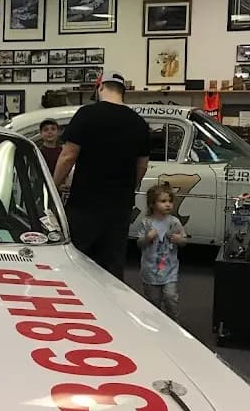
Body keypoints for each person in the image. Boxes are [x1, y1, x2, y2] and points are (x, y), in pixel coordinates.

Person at [53, 71, 149, 279]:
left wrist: (53, 186)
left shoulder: (87, 114)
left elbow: (68, 156)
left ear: (100, 87)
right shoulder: (139, 122)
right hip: (120, 206)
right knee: (113, 264)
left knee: (77, 261)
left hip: (86, 203)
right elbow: (142, 165)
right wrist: (130, 187)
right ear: (123, 91)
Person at [135, 184, 186, 321]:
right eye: (163, 201)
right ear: (152, 204)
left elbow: (184, 241)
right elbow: (139, 244)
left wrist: (179, 239)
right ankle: (156, 324)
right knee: (153, 300)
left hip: (170, 269)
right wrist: (147, 238)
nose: (168, 205)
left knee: (170, 297)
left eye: (170, 201)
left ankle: (174, 322)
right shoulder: (146, 222)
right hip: (150, 270)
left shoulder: (174, 222)